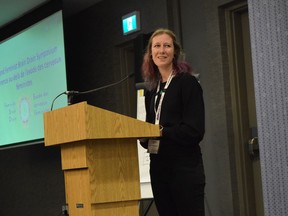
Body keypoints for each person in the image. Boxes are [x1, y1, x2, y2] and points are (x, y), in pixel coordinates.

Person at [139, 28, 206, 216]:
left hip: (184, 169)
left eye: (167, 46)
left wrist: (160, 131)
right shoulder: (152, 89)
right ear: (150, 53)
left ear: (174, 51)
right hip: (159, 168)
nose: (162, 51)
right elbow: (150, 127)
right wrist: (143, 137)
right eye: (157, 46)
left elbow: (194, 131)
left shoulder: (187, 83)